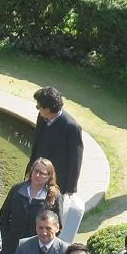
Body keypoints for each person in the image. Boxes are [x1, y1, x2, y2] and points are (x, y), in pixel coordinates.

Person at [29, 86, 83, 234]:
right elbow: (36, 144)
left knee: (49, 215)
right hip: (38, 172)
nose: (37, 109)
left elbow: (75, 159)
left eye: (39, 106)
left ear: (49, 108)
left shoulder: (71, 127)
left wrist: (70, 189)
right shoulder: (42, 117)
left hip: (57, 181)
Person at [0, 158, 61, 254]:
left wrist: (46, 243)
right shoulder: (17, 189)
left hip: (36, 247)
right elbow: (4, 215)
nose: (37, 175)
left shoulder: (53, 196)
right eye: (35, 171)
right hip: (12, 244)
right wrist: (5, 237)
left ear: (49, 176)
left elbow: (58, 225)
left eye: (42, 173)